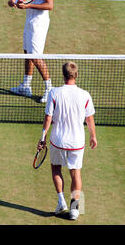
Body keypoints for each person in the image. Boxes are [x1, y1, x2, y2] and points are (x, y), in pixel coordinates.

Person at [38, 61, 97, 220]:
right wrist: (93, 136)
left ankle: (61, 201)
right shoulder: (85, 94)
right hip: (77, 142)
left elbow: (48, 117)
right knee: (76, 173)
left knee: (56, 169)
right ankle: (75, 209)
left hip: (58, 140)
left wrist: (42, 137)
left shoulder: (54, 93)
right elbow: (89, 119)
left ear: (63, 75)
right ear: (76, 75)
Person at [8, 0, 54, 103]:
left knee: (35, 55)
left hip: (39, 24)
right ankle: (26, 86)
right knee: (27, 53)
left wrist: (28, 5)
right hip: (29, 21)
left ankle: (49, 89)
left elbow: (49, 5)